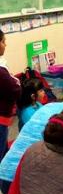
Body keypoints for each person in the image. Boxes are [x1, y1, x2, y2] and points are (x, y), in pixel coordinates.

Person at [0, 30, 21, 175]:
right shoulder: (1, 71)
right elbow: (15, 89)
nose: (5, 45)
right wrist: (16, 81)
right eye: (3, 41)